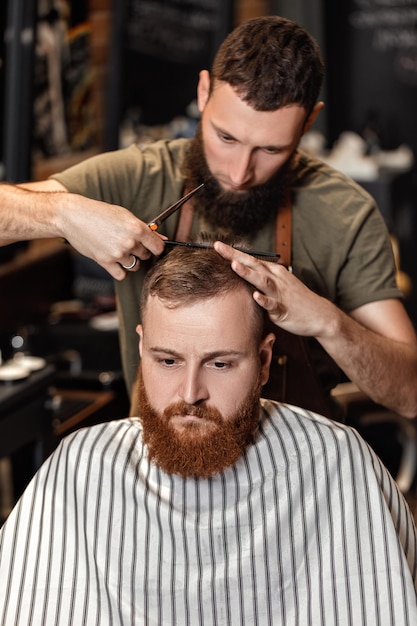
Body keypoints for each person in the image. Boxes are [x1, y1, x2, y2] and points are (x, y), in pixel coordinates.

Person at [1, 16, 417, 419]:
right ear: (203, 92)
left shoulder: (345, 214)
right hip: (162, 465)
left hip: (298, 478)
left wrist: (329, 322)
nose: (239, 173)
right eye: (226, 137)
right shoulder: (140, 177)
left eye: (271, 150)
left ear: (309, 121)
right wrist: (62, 212)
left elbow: (410, 393)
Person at [0, 244, 416, 625]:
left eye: (220, 364)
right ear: (142, 350)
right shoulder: (79, 468)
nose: (190, 393)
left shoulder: (336, 462)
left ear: (264, 360)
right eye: (168, 360)